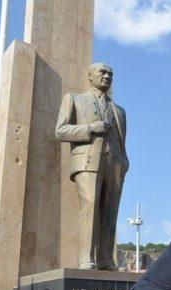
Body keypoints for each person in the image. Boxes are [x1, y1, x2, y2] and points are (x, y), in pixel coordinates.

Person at [55, 62, 128, 270]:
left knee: (110, 211)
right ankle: (86, 258)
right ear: (90, 76)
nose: (107, 76)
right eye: (102, 72)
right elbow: (60, 131)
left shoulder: (119, 111)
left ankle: (106, 259)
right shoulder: (75, 100)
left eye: (110, 74)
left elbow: (122, 141)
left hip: (114, 164)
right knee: (89, 206)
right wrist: (90, 128)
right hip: (87, 161)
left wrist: (124, 162)